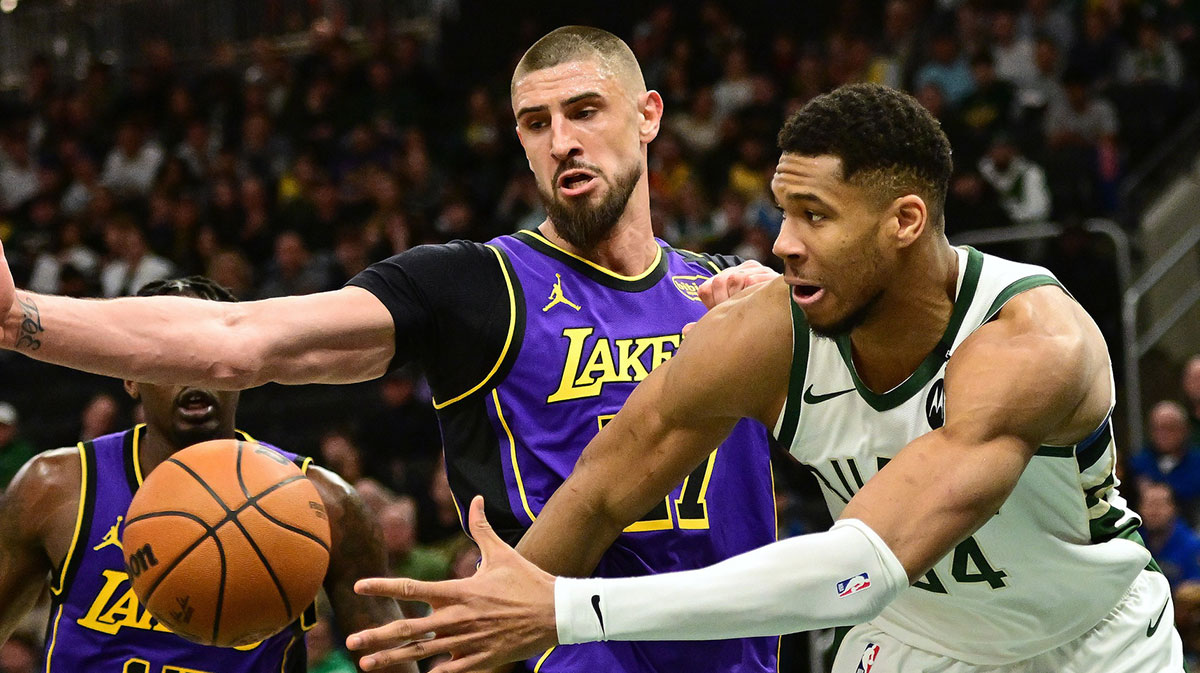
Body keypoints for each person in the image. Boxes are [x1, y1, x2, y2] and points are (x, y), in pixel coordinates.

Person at [0, 26, 777, 673]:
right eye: (537, 124)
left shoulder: (733, 295)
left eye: (584, 111)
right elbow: (237, 341)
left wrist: (793, 324)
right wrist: (19, 316)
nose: (563, 142)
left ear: (648, 115)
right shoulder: (476, 283)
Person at [342, 83, 1184, 673]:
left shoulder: (1029, 343)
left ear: (905, 221)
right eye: (783, 211)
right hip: (919, 645)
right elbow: (601, 489)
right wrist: (490, 623)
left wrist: (566, 609)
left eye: (815, 215)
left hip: (1094, 643)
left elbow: (859, 567)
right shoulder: (762, 336)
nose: (781, 243)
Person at [0, 277, 413, 673]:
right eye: (171, 351)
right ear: (128, 375)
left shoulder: (323, 502)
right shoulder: (54, 487)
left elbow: (389, 661)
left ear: (245, 365)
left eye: (208, 349)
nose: (192, 369)